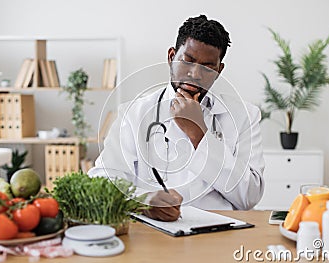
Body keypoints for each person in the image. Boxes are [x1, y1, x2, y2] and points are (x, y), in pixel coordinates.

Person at [88, 15, 265, 222]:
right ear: (172, 56)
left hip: (219, 232)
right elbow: (103, 181)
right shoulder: (133, 113)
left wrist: (199, 133)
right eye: (187, 61)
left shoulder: (244, 116)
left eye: (207, 67)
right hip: (152, 232)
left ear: (219, 70)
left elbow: (250, 197)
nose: (195, 74)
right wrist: (142, 202)